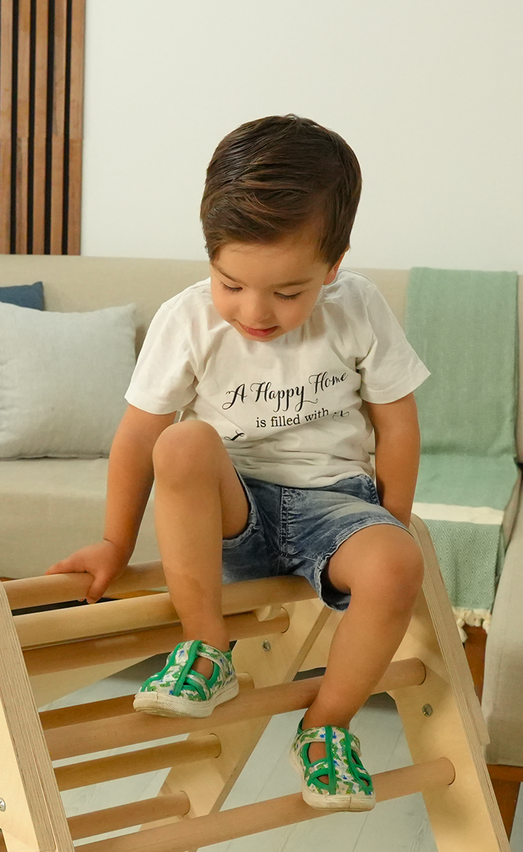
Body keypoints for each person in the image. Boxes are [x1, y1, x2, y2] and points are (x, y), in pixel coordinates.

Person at [47, 114, 429, 811]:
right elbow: (136, 438)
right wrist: (113, 542)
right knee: (180, 442)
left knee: (399, 563)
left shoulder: (359, 307)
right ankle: (206, 650)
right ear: (210, 256)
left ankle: (326, 727)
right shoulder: (186, 319)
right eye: (231, 283)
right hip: (232, 509)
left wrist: (389, 521)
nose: (255, 311)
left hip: (334, 506)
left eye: (288, 293)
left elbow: (396, 421)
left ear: (333, 266)